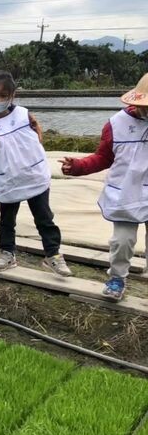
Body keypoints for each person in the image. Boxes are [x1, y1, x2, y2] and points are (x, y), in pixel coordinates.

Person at [60, 73, 148, 300]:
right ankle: (117, 278)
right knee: (122, 241)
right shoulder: (116, 124)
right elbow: (102, 157)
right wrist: (77, 167)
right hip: (125, 193)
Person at [0, 71, 72, 276]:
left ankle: (52, 254)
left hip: (33, 175)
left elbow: (36, 136)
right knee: (7, 219)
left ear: (12, 96)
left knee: (44, 217)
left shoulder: (23, 114)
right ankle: (8, 253)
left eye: (3, 96)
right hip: (7, 179)